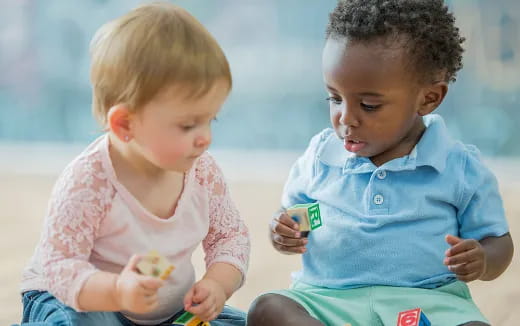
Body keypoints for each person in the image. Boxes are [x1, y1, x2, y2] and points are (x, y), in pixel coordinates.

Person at [247, 1, 514, 325]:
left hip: (426, 304)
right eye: (334, 98)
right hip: (328, 301)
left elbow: (498, 242)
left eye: (369, 105)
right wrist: (287, 231)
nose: (345, 117)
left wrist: (483, 259)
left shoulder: (458, 169)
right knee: (267, 308)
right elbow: (309, 216)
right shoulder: (322, 158)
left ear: (428, 98)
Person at [18, 2, 249, 325]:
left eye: (211, 120)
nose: (205, 138)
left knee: (246, 321)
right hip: (82, 298)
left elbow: (230, 237)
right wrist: (117, 291)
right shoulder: (89, 182)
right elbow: (60, 266)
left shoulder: (203, 172)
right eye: (188, 125)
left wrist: (217, 284)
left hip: (166, 312)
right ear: (125, 124)